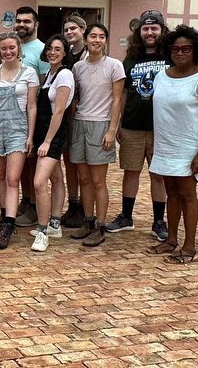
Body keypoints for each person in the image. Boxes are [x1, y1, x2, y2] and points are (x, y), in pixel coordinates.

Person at [146, 26, 198, 264]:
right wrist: (156, 143)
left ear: (195, 50)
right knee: (171, 194)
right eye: (175, 49)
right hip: (166, 145)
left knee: (187, 194)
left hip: (188, 147)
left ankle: (189, 246)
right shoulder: (161, 75)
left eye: (185, 48)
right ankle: (171, 240)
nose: (180, 53)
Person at [106, 10, 169, 242]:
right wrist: (119, 122)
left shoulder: (170, 56)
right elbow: (123, 92)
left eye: (154, 28)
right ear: (139, 32)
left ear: (162, 31)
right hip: (132, 126)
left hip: (161, 128)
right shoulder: (131, 59)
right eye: (146, 29)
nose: (150, 33)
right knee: (130, 172)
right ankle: (126, 216)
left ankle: (159, 221)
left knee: (158, 175)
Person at [69, 23, 125, 247]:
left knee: (98, 180)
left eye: (102, 36)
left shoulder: (114, 66)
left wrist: (112, 130)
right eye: (93, 36)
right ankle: (88, 220)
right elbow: (76, 99)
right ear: (86, 37)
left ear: (106, 41)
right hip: (80, 123)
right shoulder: (78, 68)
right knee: (84, 178)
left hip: (101, 125)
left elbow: (117, 100)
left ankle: (101, 226)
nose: (97, 40)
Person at [0, 32, 38, 249]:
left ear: (18, 49)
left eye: (11, 48)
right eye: (4, 48)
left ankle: (9, 225)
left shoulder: (29, 73)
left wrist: (30, 136)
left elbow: (32, 106)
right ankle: (4, 213)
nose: (8, 52)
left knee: (13, 178)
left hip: (18, 129)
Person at [30, 35, 74, 252]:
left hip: (53, 135)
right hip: (42, 133)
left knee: (39, 182)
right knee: (56, 178)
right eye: (50, 48)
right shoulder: (49, 74)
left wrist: (47, 141)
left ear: (65, 53)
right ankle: (55, 223)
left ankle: (42, 231)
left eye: (58, 49)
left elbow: (59, 111)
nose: (52, 52)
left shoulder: (65, 75)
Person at [12, 6, 49, 229]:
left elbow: (44, 83)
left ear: (36, 25)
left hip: (33, 115)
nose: (22, 25)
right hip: (14, 117)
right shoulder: (13, 47)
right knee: (22, 163)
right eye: (19, 21)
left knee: (33, 162)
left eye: (27, 21)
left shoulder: (42, 50)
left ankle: (35, 206)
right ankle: (25, 202)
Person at [60, 15, 88, 228]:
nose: (70, 32)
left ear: (82, 30)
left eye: (74, 29)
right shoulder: (66, 55)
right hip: (66, 113)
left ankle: (86, 210)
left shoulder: (90, 54)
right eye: (67, 29)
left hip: (85, 113)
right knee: (69, 160)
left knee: (81, 163)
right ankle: (73, 202)